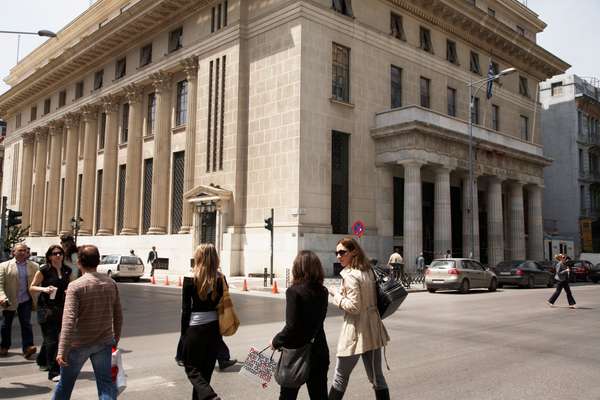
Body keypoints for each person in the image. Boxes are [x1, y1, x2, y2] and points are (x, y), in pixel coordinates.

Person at [53, 245, 123, 400]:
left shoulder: (76, 286)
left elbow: (69, 321)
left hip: (78, 344)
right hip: (103, 341)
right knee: (106, 386)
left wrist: (62, 350)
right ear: (98, 262)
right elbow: (118, 315)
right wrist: (115, 339)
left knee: (65, 385)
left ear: (79, 262)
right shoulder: (110, 283)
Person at [328, 238, 390, 400]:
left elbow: (354, 307)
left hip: (355, 331)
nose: (338, 256)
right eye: (337, 253)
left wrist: (336, 295)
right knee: (377, 378)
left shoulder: (350, 275)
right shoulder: (367, 271)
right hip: (373, 329)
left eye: (342, 252)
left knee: (340, 378)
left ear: (353, 251)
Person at [271, 250, 329, 400]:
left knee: (287, 396)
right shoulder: (323, 291)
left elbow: (292, 326)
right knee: (319, 395)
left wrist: (276, 341)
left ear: (297, 267)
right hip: (319, 350)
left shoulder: (294, 292)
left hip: (296, 353)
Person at [180, 244, 226, 400]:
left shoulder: (190, 277)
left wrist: (183, 336)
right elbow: (222, 305)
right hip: (214, 330)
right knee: (205, 376)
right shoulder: (221, 278)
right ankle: (207, 395)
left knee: (191, 368)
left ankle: (210, 396)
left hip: (195, 329)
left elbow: (185, 310)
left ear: (198, 257)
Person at [29, 245, 73, 381]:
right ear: (49, 256)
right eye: (55, 253)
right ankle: (54, 372)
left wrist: (68, 291)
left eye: (60, 253)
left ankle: (42, 360)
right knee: (53, 340)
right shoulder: (44, 270)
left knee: (50, 337)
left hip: (61, 307)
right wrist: (44, 289)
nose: (58, 255)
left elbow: (70, 285)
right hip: (45, 308)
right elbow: (31, 287)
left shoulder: (67, 270)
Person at [0, 243, 39, 359]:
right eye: (20, 250)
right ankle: (4, 346)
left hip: (25, 300)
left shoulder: (34, 266)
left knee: (26, 324)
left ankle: (28, 348)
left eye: (25, 250)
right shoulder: (4, 266)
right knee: (6, 325)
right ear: (13, 252)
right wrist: (2, 297)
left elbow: (38, 282)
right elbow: (0, 284)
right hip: (10, 300)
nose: (23, 252)